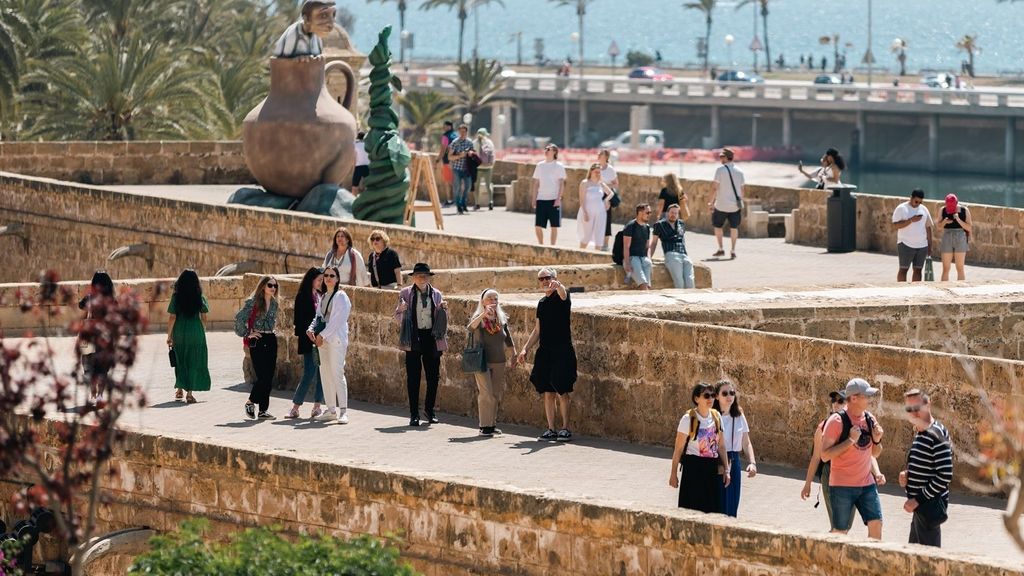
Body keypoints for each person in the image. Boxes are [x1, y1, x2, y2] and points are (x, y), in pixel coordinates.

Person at [820, 378, 886, 539]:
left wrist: (877, 439)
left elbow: (874, 453)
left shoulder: (870, 419)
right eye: (866, 396)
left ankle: (872, 562)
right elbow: (824, 455)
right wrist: (850, 441)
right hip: (842, 486)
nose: (869, 399)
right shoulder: (836, 421)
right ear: (854, 398)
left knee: (876, 523)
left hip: (866, 484)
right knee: (840, 533)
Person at [516, 268, 577, 442]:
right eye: (541, 279)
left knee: (562, 390)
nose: (544, 281)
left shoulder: (563, 297)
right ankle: (551, 428)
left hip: (562, 350)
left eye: (547, 278)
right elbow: (537, 330)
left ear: (555, 278)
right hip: (545, 351)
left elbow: (563, 294)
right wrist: (525, 349)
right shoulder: (542, 303)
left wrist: (559, 286)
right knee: (547, 392)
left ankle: (565, 428)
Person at [394, 263, 449, 426]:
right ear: (413, 278)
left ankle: (429, 410)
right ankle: (413, 414)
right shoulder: (405, 293)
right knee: (413, 377)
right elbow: (397, 317)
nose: (422, 278)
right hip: (413, 337)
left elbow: (441, 317)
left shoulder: (437, 294)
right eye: (419, 275)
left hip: (431, 338)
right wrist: (402, 310)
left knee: (433, 377)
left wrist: (443, 309)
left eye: (425, 275)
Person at [899, 389, 953, 547]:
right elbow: (927, 465)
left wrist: (917, 500)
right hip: (921, 510)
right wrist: (908, 475)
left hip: (929, 508)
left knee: (927, 563)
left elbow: (945, 475)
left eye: (917, 408)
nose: (913, 413)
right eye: (909, 409)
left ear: (928, 405)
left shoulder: (936, 434)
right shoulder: (921, 433)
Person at [669, 382, 731, 513]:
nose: (711, 399)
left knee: (712, 511)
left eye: (713, 395)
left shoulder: (716, 416)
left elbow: (721, 445)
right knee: (691, 510)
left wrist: (727, 470)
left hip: (712, 469)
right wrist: (673, 474)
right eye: (706, 396)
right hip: (693, 469)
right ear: (697, 399)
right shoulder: (688, 419)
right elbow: (678, 449)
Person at [467, 289, 518, 436]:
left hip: (499, 360)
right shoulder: (479, 317)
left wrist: (513, 353)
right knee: (486, 393)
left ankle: (492, 424)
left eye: (495, 299)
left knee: (495, 393)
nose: (493, 301)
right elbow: (470, 328)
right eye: (489, 299)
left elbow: (507, 337)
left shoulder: (500, 318)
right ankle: (484, 426)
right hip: (482, 361)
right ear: (483, 301)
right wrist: (484, 314)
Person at [308, 266, 352, 424]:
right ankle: (331, 409)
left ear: (337, 278)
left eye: (332, 275)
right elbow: (318, 317)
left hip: (335, 341)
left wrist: (322, 335)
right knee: (325, 374)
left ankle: (343, 411)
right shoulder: (324, 296)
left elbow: (337, 321)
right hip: (323, 341)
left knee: (337, 374)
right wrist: (311, 329)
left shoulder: (341, 296)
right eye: (326, 275)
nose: (328, 278)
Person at [235, 276, 280, 420]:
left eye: (275, 286)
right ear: (262, 286)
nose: (273, 288)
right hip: (258, 340)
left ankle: (263, 411)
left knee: (269, 377)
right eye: (270, 285)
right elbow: (239, 319)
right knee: (262, 376)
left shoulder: (274, 304)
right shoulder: (253, 302)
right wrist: (248, 333)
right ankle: (250, 402)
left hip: (271, 339)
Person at [800, 390, 848, 526]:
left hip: (850, 477)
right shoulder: (823, 427)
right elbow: (816, 457)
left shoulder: (854, 424)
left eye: (840, 401)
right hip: (830, 475)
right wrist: (807, 484)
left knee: (845, 522)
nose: (836, 404)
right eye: (834, 401)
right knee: (837, 522)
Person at [712, 380, 757, 517]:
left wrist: (752, 463)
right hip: (717, 461)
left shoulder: (739, 415)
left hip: (734, 461)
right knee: (718, 504)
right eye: (724, 393)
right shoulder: (712, 416)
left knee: (732, 504)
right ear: (717, 396)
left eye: (732, 393)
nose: (729, 396)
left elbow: (746, 442)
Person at [166, 269, 211, 404]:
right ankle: (189, 394)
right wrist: (202, 330)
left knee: (180, 360)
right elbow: (204, 317)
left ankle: (179, 388)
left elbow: (172, 317)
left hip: (180, 331)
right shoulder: (200, 297)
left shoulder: (176, 297)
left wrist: (169, 335)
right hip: (196, 331)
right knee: (193, 360)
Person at [286, 267, 325, 419]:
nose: (321, 282)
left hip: (321, 340)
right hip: (309, 340)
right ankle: (295, 407)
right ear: (311, 279)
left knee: (322, 374)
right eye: (319, 280)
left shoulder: (321, 295)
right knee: (309, 372)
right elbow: (299, 322)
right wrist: (310, 335)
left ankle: (317, 406)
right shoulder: (302, 296)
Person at [78, 270, 114, 403]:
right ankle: (100, 395)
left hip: (90, 335)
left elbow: (81, 306)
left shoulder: (90, 297)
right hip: (105, 337)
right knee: (103, 368)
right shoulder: (111, 299)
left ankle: (92, 392)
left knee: (89, 364)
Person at [891, 189, 933, 282]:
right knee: (903, 269)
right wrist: (911, 220)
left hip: (922, 246)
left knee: (918, 270)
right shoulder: (901, 208)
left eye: (920, 202)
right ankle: (901, 290)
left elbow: (928, 227)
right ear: (911, 197)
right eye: (916, 201)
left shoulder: (924, 209)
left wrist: (930, 245)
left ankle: (915, 290)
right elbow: (895, 225)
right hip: (905, 244)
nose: (918, 204)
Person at [709, 148, 744, 259]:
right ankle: (733, 251)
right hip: (735, 206)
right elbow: (742, 190)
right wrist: (739, 202)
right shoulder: (740, 171)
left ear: (726, 158)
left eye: (721, 157)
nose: (720, 159)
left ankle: (721, 249)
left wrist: (710, 203)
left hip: (721, 205)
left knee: (718, 226)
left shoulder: (720, 170)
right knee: (734, 228)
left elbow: (714, 188)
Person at [650, 203, 694, 289]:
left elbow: (682, 239)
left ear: (678, 214)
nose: (673, 215)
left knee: (690, 282)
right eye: (672, 212)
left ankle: (690, 301)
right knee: (679, 283)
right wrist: (649, 257)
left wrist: (686, 254)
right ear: (667, 213)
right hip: (671, 254)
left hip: (684, 255)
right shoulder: (659, 225)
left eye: (676, 213)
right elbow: (654, 242)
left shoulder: (681, 223)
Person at [532, 144, 566, 245]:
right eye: (545, 149)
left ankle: (552, 247)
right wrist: (534, 199)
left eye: (548, 149)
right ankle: (541, 245)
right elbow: (536, 183)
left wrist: (558, 198)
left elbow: (561, 184)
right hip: (541, 199)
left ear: (554, 152)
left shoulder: (559, 166)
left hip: (554, 199)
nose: (546, 150)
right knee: (538, 226)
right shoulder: (540, 165)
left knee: (554, 226)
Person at [937, 193, 973, 281]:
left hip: (960, 236)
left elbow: (969, 227)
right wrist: (944, 222)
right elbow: (939, 226)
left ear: (957, 203)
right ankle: (944, 288)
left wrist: (958, 220)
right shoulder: (943, 210)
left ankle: (961, 289)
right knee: (946, 268)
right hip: (947, 236)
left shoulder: (965, 210)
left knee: (960, 268)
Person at [576, 163, 613, 250]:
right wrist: (585, 212)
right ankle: (581, 253)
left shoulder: (601, 184)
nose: (598, 174)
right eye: (596, 172)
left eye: (599, 172)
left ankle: (597, 255)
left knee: (599, 235)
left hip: (601, 212)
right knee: (587, 235)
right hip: (587, 212)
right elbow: (581, 200)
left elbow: (611, 193)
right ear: (591, 171)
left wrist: (605, 200)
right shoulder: (585, 183)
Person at [622, 203, 654, 289]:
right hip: (633, 258)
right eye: (647, 212)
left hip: (644, 259)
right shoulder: (630, 226)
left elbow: (647, 246)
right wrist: (627, 263)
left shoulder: (647, 227)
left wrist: (649, 259)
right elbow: (626, 247)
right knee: (643, 285)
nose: (649, 215)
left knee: (648, 286)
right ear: (640, 213)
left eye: (650, 212)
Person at [447, 124, 476, 214]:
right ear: (458, 132)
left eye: (464, 131)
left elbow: (474, 154)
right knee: (457, 188)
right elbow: (449, 157)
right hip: (457, 168)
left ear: (467, 132)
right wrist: (459, 155)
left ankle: (463, 203)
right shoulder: (455, 142)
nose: (462, 133)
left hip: (467, 169)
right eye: (461, 131)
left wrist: (471, 153)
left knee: (468, 187)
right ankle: (458, 205)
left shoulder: (470, 142)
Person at [598, 149, 619, 250]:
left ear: (606, 157)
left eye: (601, 154)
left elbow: (616, 184)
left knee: (606, 219)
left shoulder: (610, 169)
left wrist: (604, 185)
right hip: (596, 195)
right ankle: (597, 242)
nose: (599, 156)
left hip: (607, 196)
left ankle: (605, 244)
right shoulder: (596, 168)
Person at [435, 120, 457, 206]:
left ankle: (449, 200)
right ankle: (456, 200)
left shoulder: (445, 137)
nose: (443, 128)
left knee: (448, 182)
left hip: (447, 162)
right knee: (455, 181)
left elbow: (443, 150)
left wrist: (437, 159)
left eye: (444, 126)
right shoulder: (456, 135)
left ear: (449, 126)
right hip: (457, 161)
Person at [474, 128, 496, 210]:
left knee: (477, 186)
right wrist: (491, 164)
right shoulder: (489, 142)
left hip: (478, 167)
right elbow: (493, 154)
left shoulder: (474, 143)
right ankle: (490, 202)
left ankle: (477, 203)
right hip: (488, 167)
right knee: (488, 185)